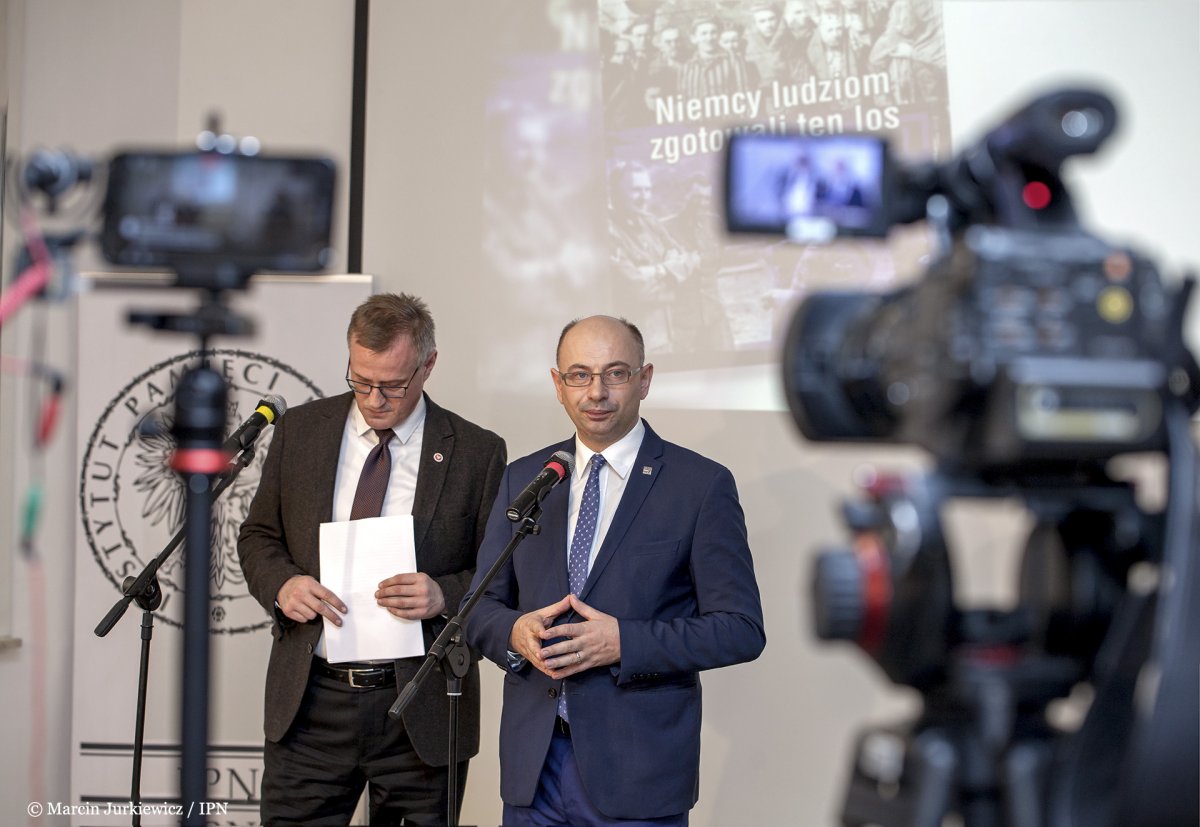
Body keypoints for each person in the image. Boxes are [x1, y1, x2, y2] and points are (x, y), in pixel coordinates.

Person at [462, 315, 766, 825]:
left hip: (638, 772)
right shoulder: (527, 479)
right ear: (558, 385)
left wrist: (624, 642)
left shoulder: (699, 485)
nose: (596, 392)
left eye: (616, 374)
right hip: (533, 768)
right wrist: (515, 632)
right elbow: (479, 609)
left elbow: (740, 629)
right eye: (579, 375)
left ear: (644, 380)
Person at [237, 292, 507, 826]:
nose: (374, 399)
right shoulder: (301, 431)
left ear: (428, 365)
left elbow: (501, 574)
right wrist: (283, 585)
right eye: (360, 381)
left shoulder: (477, 452)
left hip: (421, 703)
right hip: (311, 703)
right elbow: (259, 536)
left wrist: (443, 595)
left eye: (393, 385)